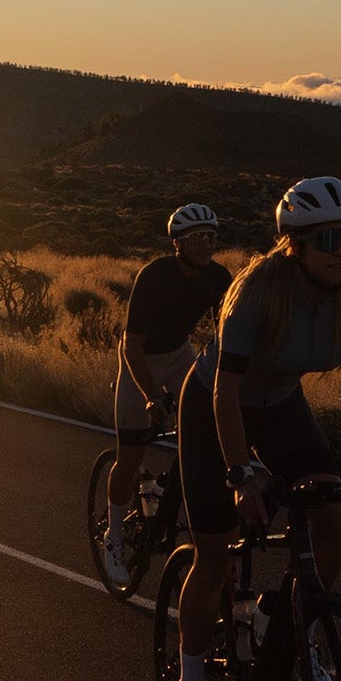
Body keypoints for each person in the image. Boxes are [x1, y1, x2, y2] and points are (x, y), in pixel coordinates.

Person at [168, 176, 341, 681]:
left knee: (329, 516)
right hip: (215, 405)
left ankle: (291, 627)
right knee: (214, 556)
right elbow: (225, 393)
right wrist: (243, 473)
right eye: (329, 239)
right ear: (293, 245)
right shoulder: (256, 295)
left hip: (282, 405)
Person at [102, 203, 231, 583]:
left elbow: (227, 331)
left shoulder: (217, 277)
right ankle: (114, 536)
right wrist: (150, 395)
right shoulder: (154, 277)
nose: (207, 245)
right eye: (198, 239)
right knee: (130, 454)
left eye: (211, 237)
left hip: (179, 355)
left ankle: (168, 493)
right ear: (178, 243)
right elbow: (131, 344)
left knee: (203, 426)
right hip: (141, 358)